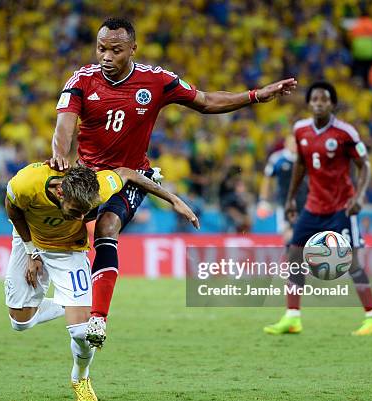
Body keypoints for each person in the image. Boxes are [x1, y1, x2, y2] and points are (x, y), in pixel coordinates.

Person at [50, 17, 297, 347]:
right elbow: (63, 128)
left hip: (132, 177)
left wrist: (254, 95)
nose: (106, 56)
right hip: (88, 178)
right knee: (61, 230)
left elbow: (206, 101)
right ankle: (42, 277)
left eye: (115, 50)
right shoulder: (82, 80)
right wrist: (61, 154)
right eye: (101, 49)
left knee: (108, 227)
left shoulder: (156, 81)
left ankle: (99, 319)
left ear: (133, 49)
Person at [4, 162, 198, 401]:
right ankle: (71, 304)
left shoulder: (99, 187)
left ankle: (80, 378)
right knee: (20, 323)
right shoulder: (26, 183)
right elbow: (13, 210)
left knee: (82, 332)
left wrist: (173, 199)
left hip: (69, 251)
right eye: (76, 212)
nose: (81, 218)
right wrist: (32, 252)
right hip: (29, 241)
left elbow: (127, 173)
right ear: (61, 192)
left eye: (86, 212)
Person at [263, 81, 372, 336]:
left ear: (332, 104)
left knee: (351, 261)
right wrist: (290, 199)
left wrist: (359, 197)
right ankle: (292, 317)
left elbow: (365, 165)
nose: (319, 103)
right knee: (295, 256)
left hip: (342, 207)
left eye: (324, 99)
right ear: (309, 104)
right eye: (315, 99)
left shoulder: (345, 133)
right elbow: (300, 166)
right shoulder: (300, 130)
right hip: (312, 207)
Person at [257, 134, 308, 242]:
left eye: (296, 143)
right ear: (285, 144)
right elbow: (267, 179)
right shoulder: (277, 158)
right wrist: (263, 199)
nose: (294, 146)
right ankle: (290, 256)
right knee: (287, 234)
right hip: (284, 202)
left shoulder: (305, 157)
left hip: (304, 201)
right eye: (292, 143)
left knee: (305, 233)